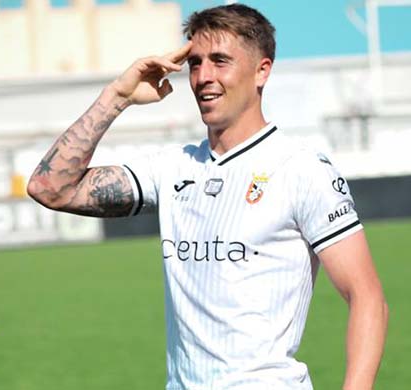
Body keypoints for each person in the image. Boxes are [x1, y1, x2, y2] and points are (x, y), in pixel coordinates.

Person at [28, 4, 387, 389]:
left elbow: (367, 299)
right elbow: (50, 188)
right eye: (195, 63)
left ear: (262, 70)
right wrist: (118, 95)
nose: (203, 77)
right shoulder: (172, 167)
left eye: (220, 61)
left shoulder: (301, 168)